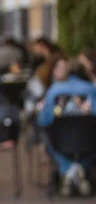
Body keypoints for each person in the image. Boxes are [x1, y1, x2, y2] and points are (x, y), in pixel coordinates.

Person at [37, 60, 96, 197]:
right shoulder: (91, 90)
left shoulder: (55, 90)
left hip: (60, 141)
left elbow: (43, 120)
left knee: (47, 141)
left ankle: (68, 170)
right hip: (88, 141)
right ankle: (78, 168)